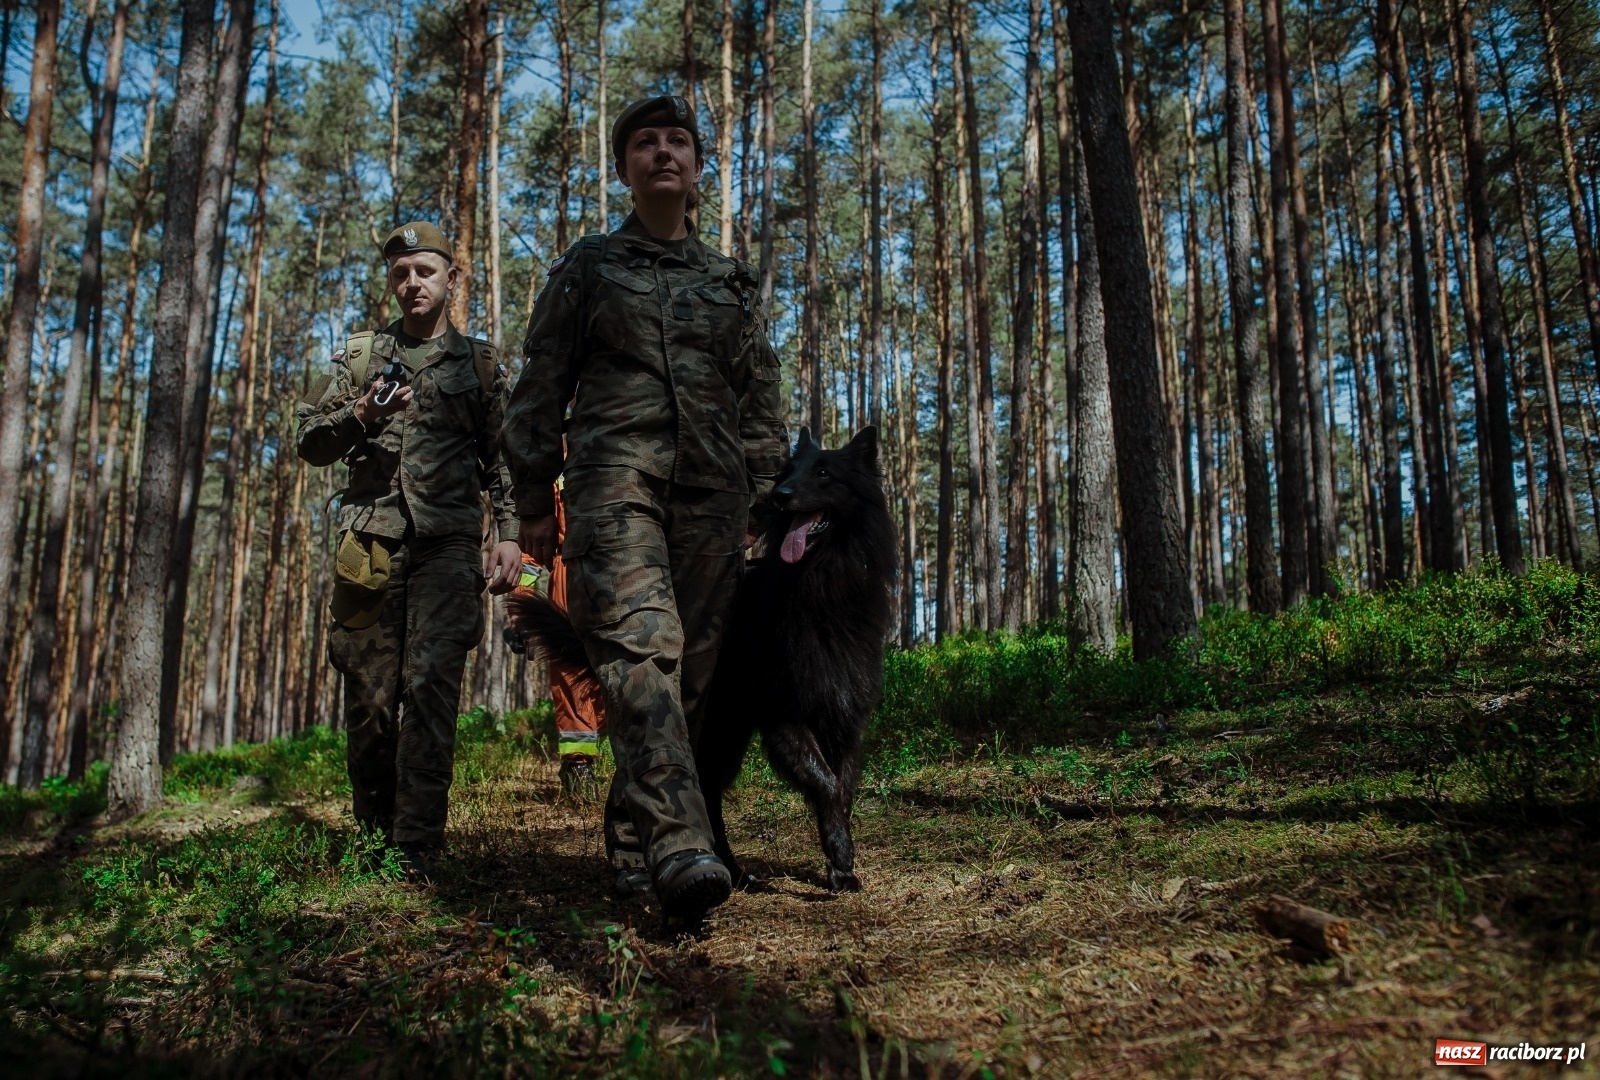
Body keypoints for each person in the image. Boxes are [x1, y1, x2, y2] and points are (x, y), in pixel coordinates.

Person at [503, 94, 788, 919]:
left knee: (694, 673)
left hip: (711, 496)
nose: (663, 153)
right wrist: (530, 501)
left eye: (678, 142)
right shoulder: (590, 266)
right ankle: (681, 845)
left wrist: (768, 507)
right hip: (612, 487)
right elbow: (540, 385)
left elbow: (759, 400)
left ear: (698, 167)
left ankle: (634, 848)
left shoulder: (728, 280)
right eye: (644, 144)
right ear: (624, 167)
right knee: (641, 651)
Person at [297, 220, 523, 881]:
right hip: (368, 545)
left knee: (431, 693)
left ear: (452, 279)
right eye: (400, 272)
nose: (411, 282)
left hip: (449, 549)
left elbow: (503, 462)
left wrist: (508, 535)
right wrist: (362, 415)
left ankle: (417, 846)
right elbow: (309, 443)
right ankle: (374, 836)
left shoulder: (480, 366)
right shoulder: (357, 360)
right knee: (367, 697)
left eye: (424, 270)